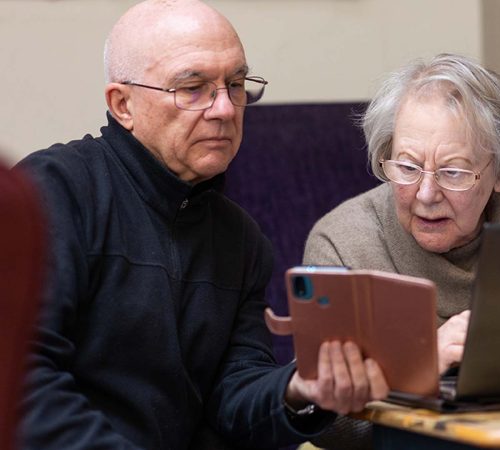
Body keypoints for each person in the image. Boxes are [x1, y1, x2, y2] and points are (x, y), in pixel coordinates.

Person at [14, 1, 387, 449]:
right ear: (122, 104)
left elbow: (234, 398)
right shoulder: (54, 192)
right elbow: (23, 380)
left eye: (235, 84)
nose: (225, 109)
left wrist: (298, 390)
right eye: (193, 88)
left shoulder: (242, 238)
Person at [303, 53, 500, 448]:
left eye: (453, 172)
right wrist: (420, 368)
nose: (426, 194)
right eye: (408, 167)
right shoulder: (342, 246)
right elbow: (326, 423)